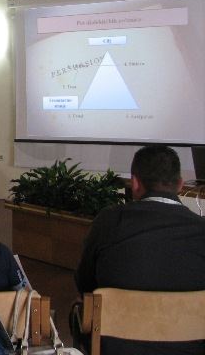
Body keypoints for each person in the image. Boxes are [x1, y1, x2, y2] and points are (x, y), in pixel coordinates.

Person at [74, 145, 205, 354]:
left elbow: (85, 285)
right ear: (180, 184)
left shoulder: (109, 221)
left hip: (115, 347)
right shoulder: (201, 229)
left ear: (134, 183)